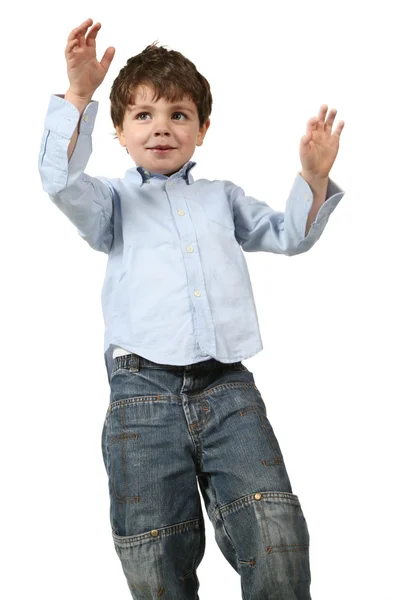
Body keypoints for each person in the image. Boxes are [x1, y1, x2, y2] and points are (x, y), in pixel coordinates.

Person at [38, 17, 345, 600]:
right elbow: (58, 181)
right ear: (120, 133)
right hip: (141, 394)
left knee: (276, 532)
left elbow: (288, 235)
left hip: (227, 388)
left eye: (178, 115)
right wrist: (78, 95)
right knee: (155, 551)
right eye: (143, 115)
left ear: (202, 129)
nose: (161, 128)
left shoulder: (221, 197)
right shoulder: (110, 202)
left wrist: (312, 177)